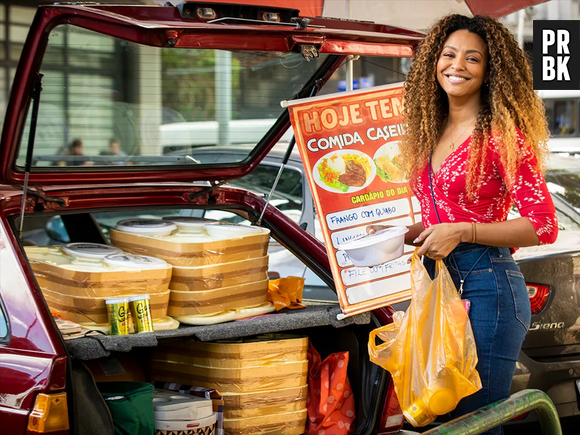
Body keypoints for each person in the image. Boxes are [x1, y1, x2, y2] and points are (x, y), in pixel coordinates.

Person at [367, 15, 557, 434]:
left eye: (474, 58)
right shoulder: (430, 131)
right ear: (433, 61)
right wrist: (410, 233)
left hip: (489, 288)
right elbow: (447, 214)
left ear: (491, 72)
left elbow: (543, 225)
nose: (458, 65)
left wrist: (463, 231)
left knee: (477, 425)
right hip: (440, 287)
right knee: (439, 421)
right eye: (449, 54)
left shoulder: (504, 137)